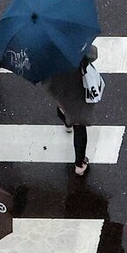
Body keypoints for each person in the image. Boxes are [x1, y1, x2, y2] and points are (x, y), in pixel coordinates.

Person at [41, 43, 100, 176]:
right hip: (76, 86)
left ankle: (67, 122)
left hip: (56, 86)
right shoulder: (71, 42)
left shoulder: (42, 47)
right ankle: (80, 163)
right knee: (79, 124)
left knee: (63, 106)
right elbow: (93, 54)